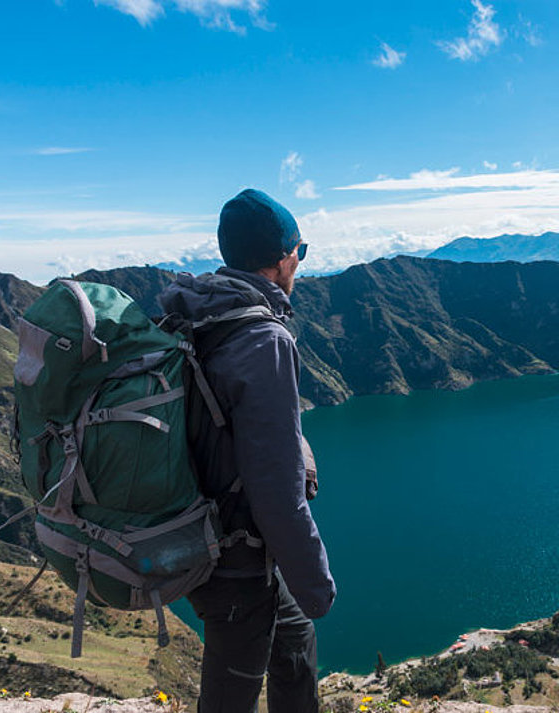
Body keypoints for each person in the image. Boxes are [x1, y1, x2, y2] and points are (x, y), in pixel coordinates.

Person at [158, 188, 335, 713]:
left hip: (203, 529)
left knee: (295, 642)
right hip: (232, 562)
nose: (299, 265)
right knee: (230, 694)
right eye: (299, 253)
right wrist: (318, 584)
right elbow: (277, 491)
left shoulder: (194, 312)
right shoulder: (263, 340)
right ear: (283, 258)